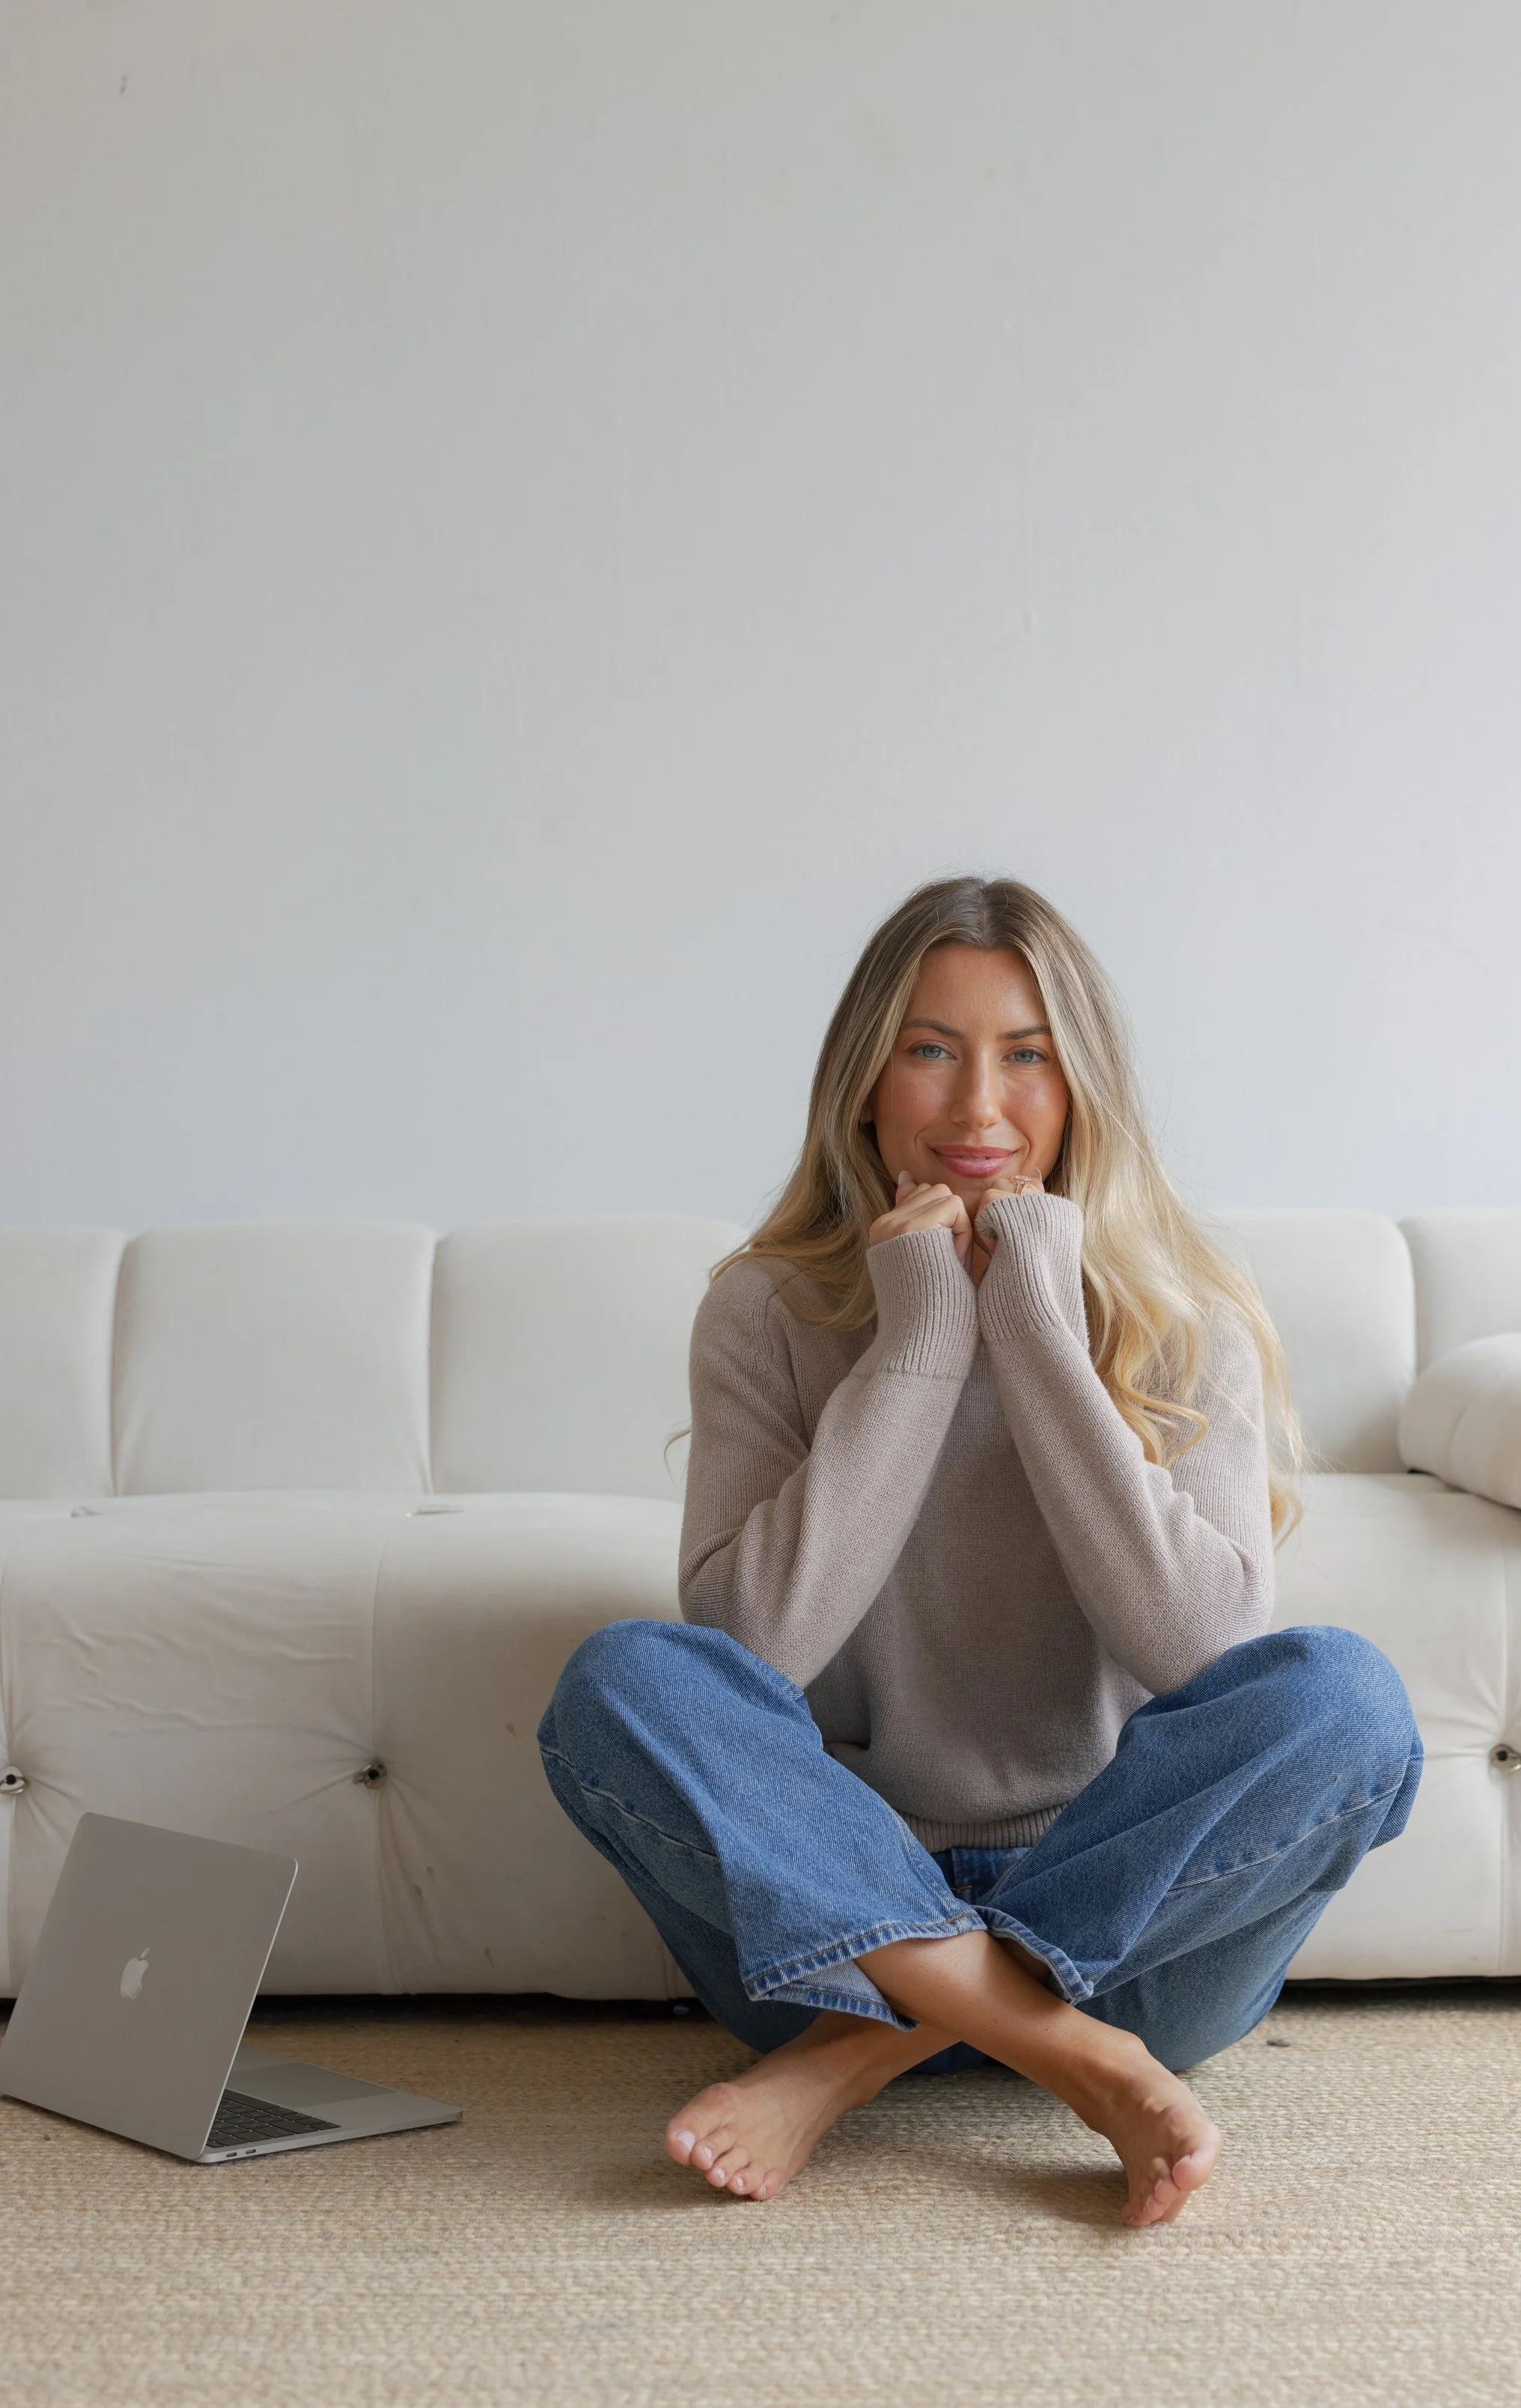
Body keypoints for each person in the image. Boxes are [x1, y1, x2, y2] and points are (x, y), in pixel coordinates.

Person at [540, 876, 1418, 2226]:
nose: (975, 1111)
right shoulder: (768, 1310)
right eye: (931, 1050)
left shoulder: (1186, 1321)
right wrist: (924, 1340)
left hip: (1132, 1926)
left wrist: (1039, 1331)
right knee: (627, 1680)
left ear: (1084, 1089)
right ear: (867, 1080)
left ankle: (861, 2062)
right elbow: (748, 1652)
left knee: (1346, 1698)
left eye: (1026, 1057)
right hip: (831, 1920)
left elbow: (1206, 1655)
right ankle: (1066, 2051)